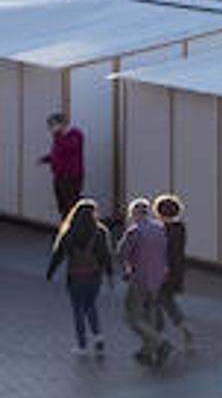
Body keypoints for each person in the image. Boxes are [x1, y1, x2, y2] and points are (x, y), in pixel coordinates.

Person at [44, 197, 113, 356]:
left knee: (78, 310)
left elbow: (58, 255)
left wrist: (50, 273)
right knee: (90, 305)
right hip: (94, 276)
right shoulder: (100, 232)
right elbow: (105, 256)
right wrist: (109, 274)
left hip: (75, 276)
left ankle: (82, 345)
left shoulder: (70, 232)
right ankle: (98, 336)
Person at [117, 197, 172, 365]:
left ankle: (160, 342)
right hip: (158, 278)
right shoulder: (160, 228)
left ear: (134, 214)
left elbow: (122, 253)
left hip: (139, 278)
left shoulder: (134, 231)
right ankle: (147, 351)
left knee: (132, 317)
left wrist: (127, 269)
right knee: (149, 314)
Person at [154, 194, 196, 348]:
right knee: (169, 302)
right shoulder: (180, 228)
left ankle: (158, 336)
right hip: (176, 273)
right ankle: (186, 329)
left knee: (155, 304)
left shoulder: (159, 230)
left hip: (160, 273)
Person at [37, 112, 83, 216]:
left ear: (62, 124)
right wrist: (46, 159)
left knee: (70, 206)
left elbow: (69, 147)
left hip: (70, 177)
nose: (51, 129)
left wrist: (57, 134)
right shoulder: (60, 137)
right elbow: (59, 154)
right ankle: (65, 229)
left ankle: (72, 230)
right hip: (59, 175)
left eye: (52, 125)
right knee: (62, 206)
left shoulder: (75, 134)